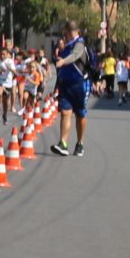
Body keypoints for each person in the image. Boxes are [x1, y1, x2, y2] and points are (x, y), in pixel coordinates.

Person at [48, 21, 92, 157]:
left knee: (80, 114)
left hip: (79, 84)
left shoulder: (79, 44)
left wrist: (63, 61)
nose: (64, 35)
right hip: (65, 84)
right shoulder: (66, 45)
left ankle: (80, 144)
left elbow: (75, 56)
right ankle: (63, 144)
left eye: (65, 32)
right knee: (65, 113)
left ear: (68, 31)